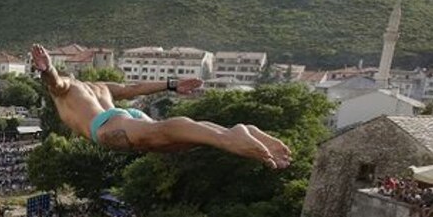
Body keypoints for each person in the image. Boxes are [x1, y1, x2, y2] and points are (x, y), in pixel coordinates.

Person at [31, 44, 291, 169]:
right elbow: (134, 89)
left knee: (164, 133)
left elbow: (55, 83)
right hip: (129, 116)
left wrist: (48, 69)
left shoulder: (66, 89)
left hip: (107, 125)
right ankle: (234, 131)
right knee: (175, 142)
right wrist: (172, 84)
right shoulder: (99, 85)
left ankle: (227, 137)